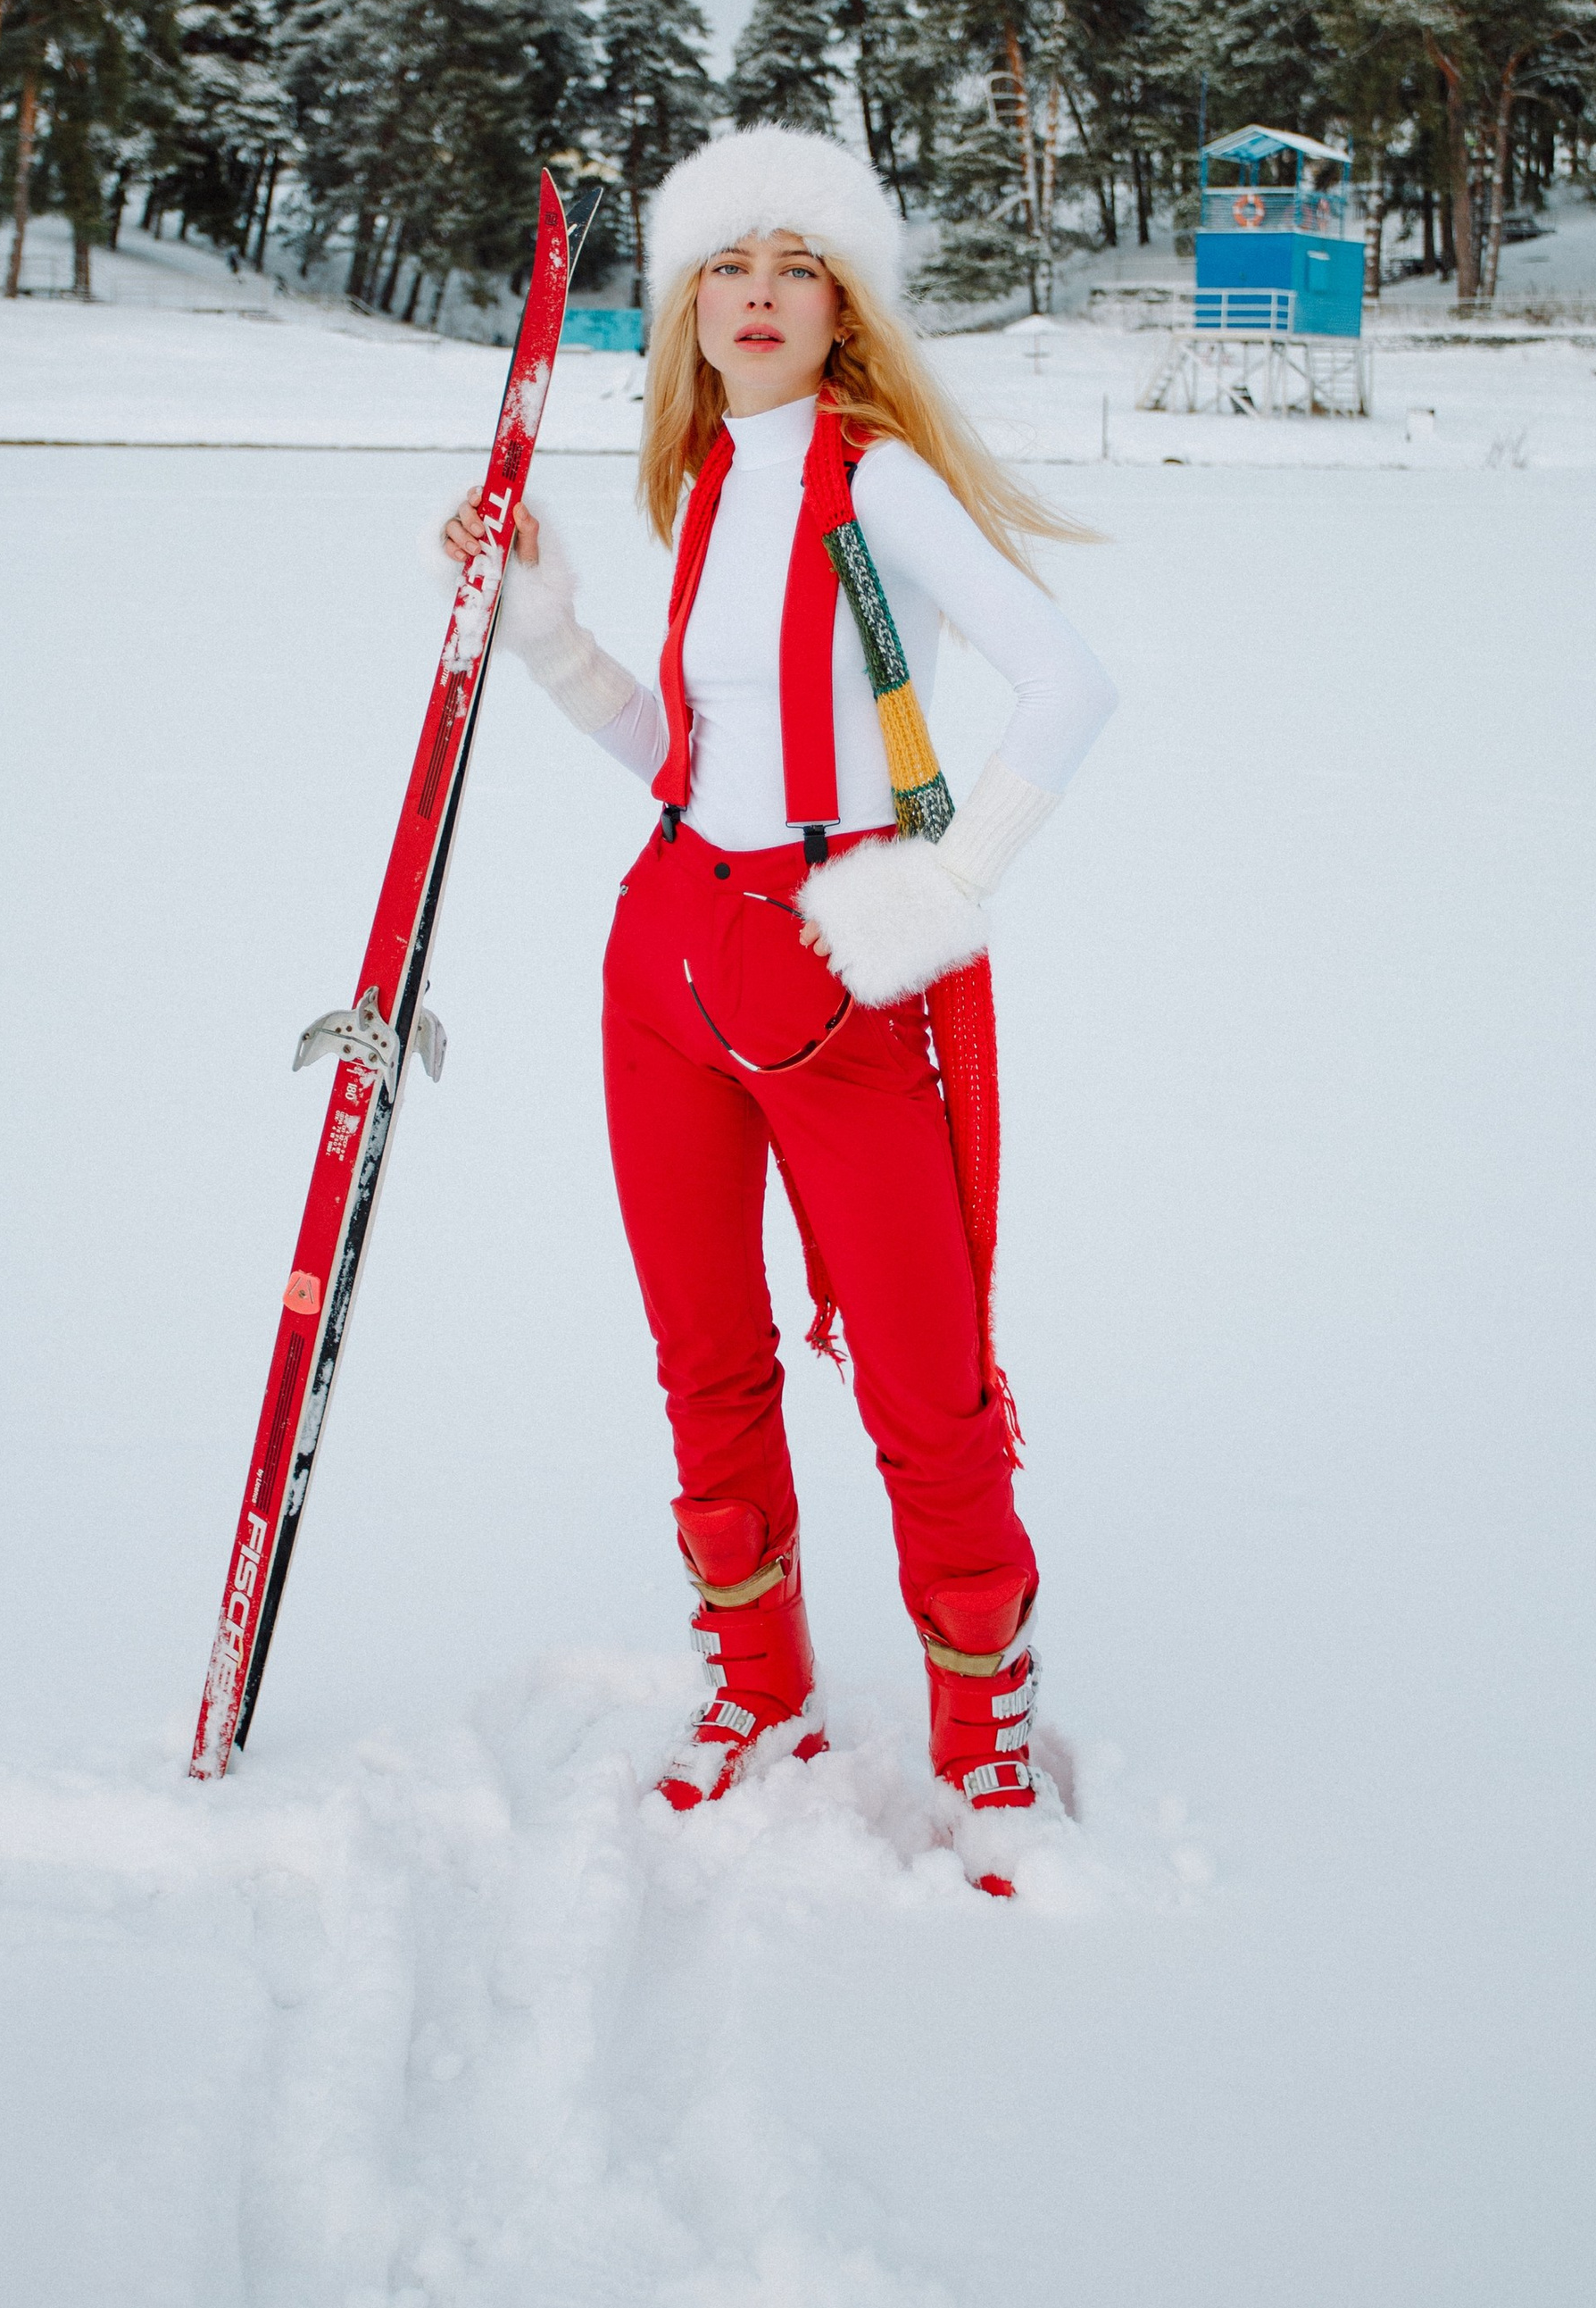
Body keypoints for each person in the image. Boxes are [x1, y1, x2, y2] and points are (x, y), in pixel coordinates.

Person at [442, 127, 1114, 1883]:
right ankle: (760, 1687)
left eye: (791, 268)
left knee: (922, 1378)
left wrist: (941, 889)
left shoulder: (869, 474)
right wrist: (544, 632)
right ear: (682, 306)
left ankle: (982, 1744)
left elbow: (1065, 687)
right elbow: (686, 758)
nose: (753, 298)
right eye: (724, 270)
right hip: (663, 948)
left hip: (829, 972)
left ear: (841, 306)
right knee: (704, 1358)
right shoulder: (708, 478)